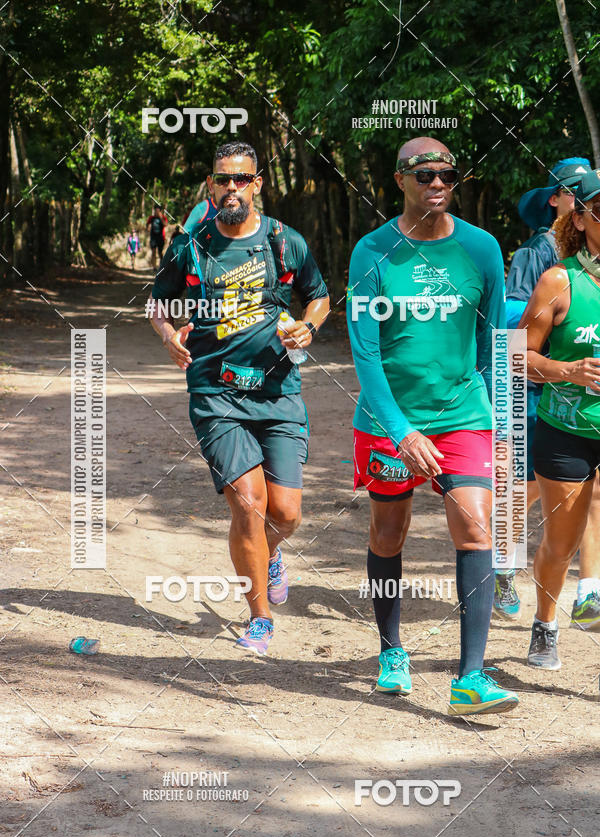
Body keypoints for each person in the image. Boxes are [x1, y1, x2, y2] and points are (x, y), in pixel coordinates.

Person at [347, 136, 518, 716]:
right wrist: (402, 431)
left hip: (463, 416)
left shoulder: (483, 248)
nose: (437, 183)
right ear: (400, 180)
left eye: (447, 173)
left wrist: (498, 417)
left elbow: (494, 342)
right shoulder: (372, 252)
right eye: (424, 175)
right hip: (387, 420)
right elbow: (365, 355)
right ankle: (392, 650)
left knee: (477, 528)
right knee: (388, 532)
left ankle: (470, 676)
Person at [149, 141, 329, 656]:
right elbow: (158, 303)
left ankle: (267, 557)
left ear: (258, 184)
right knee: (250, 504)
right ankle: (260, 618)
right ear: (211, 185)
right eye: (223, 179)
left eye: (242, 179)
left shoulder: (283, 241)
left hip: (278, 392)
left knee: (287, 514)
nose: (232, 188)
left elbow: (318, 294)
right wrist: (166, 334)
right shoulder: (190, 244)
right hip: (215, 392)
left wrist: (309, 327)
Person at [495, 158, 597, 621]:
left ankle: (588, 592)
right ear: (558, 201)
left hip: (583, 398)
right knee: (525, 487)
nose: (583, 197)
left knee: (590, 495)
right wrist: (563, 319)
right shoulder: (539, 252)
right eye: (575, 190)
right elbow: (513, 316)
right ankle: (503, 559)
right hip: (537, 390)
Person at [520, 169, 600, 669]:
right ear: (584, 216)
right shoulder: (559, 280)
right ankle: (545, 623)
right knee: (558, 543)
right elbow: (521, 355)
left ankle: (591, 593)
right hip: (566, 431)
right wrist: (568, 369)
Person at [146, 205, 167, 269]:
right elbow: (147, 225)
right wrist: (148, 227)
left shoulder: (163, 217)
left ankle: (161, 265)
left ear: (160, 211)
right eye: (155, 210)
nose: (156, 212)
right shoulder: (151, 218)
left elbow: (165, 224)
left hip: (161, 237)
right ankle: (154, 267)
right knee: (153, 252)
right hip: (153, 237)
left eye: (158, 211)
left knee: (160, 252)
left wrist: (160, 217)